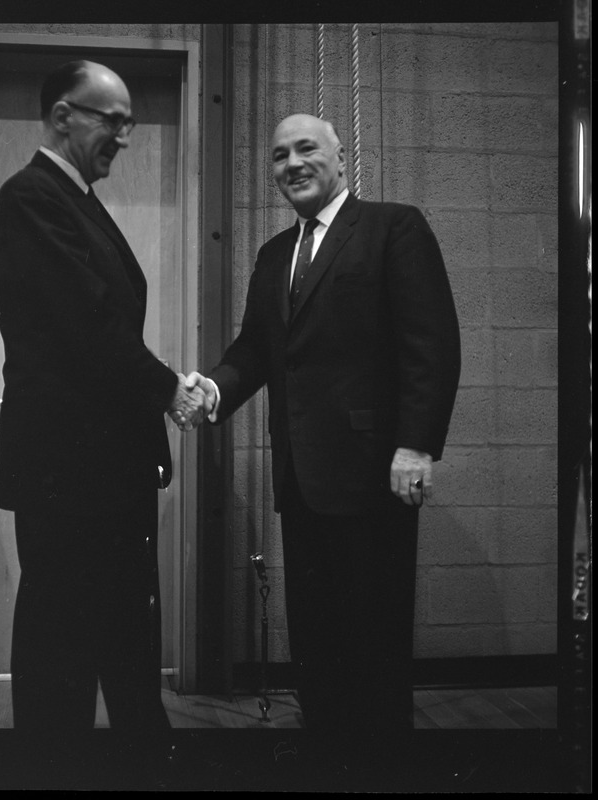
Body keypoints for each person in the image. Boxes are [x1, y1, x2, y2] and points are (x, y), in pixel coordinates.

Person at [186, 113, 461, 745]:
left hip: (375, 475)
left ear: (341, 159)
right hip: (301, 478)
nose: (292, 164)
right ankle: (328, 752)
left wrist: (416, 444)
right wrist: (217, 388)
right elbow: (257, 349)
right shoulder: (275, 254)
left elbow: (432, 344)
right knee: (316, 634)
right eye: (279, 157)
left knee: (374, 632)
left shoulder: (394, 227)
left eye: (306, 149)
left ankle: (381, 762)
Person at [0, 59, 206, 742]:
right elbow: (87, 328)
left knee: (117, 632)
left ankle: (141, 749)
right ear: (63, 115)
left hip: (99, 474)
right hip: (69, 475)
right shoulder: (31, 196)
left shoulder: (75, 199)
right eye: (113, 121)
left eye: (129, 124)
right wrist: (171, 389)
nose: (124, 136)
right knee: (63, 649)